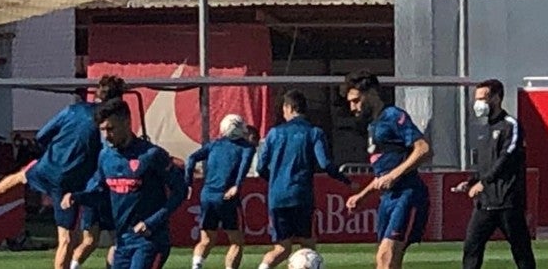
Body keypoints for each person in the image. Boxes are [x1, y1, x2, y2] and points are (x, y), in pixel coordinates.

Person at [0, 74, 128, 269]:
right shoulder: (107, 126)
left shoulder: (73, 110)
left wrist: (53, 152)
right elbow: (108, 152)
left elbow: (42, 135)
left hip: (49, 166)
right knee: (66, 239)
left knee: (21, 176)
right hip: (69, 182)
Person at [64, 98, 188, 269]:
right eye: (102, 130)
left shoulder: (151, 155)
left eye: (110, 129)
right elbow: (100, 194)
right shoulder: (106, 157)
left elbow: (180, 190)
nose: (106, 135)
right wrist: (77, 197)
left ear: (127, 122)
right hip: (122, 241)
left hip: (151, 241)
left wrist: (152, 222)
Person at [255, 89, 356, 269]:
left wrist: (276, 180)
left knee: (282, 248)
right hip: (301, 196)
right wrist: (346, 180)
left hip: (277, 198)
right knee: (308, 246)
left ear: (288, 107)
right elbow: (325, 164)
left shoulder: (274, 133)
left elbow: (261, 167)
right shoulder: (314, 132)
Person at [341, 71, 431, 269]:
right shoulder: (373, 126)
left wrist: (394, 175)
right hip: (388, 199)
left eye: (356, 100)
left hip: (407, 194)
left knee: (386, 257)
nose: (353, 107)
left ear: (371, 93)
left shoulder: (393, 116)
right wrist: (362, 195)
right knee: (387, 261)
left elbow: (423, 149)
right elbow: (383, 174)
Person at [453, 79, 535, 269]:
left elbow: (506, 158)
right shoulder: (484, 129)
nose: (478, 104)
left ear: (496, 98)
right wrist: (472, 181)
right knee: (471, 248)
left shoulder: (511, 125)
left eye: (483, 98)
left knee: (521, 251)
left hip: (507, 202)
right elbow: (484, 165)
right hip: (485, 203)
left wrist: (485, 182)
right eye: (477, 99)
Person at [185, 114, 257, 269]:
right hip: (226, 196)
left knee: (206, 240)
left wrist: (188, 183)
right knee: (236, 241)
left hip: (207, 195)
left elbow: (191, 159)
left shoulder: (214, 145)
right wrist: (237, 185)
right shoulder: (246, 147)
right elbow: (244, 167)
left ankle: (196, 265)